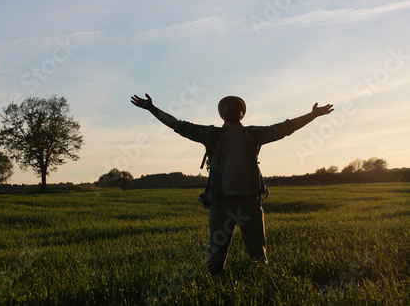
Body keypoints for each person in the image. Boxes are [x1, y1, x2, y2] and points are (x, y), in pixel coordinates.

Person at [130, 93, 333, 276]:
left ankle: (261, 284)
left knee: (258, 253)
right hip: (221, 203)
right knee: (216, 254)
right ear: (221, 114)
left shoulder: (254, 133)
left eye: (237, 105)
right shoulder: (211, 134)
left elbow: (285, 128)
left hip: (250, 202)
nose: (232, 107)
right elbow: (178, 125)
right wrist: (151, 109)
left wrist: (312, 115)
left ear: (242, 113)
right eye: (227, 105)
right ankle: (215, 286)